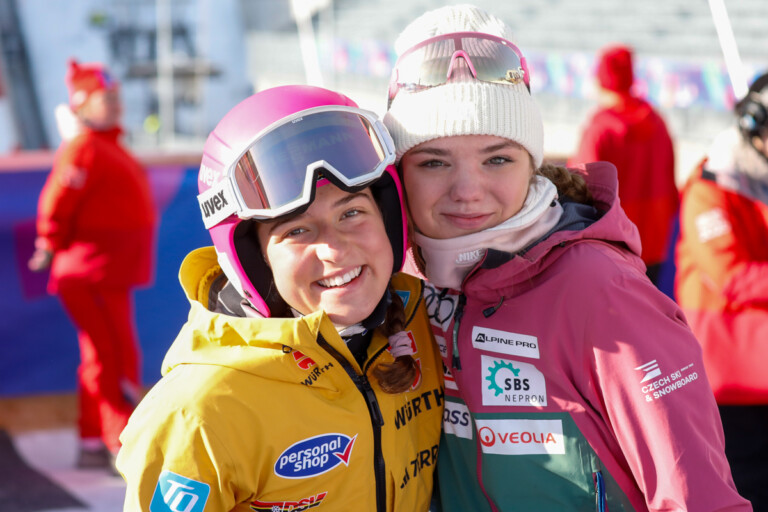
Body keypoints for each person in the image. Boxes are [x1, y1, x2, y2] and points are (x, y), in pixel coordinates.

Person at [383, 4, 750, 511]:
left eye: (497, 158)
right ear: (400, 173)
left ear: (533, 164)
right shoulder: (399, 282)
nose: (467, 191)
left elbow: (698, 496)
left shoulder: (599, 289)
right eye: (434, 162)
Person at [116, 85, 444, 511]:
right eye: (297, 231)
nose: (335, 249)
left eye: (352, 213)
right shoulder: (198, 413)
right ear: (255, 262)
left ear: (388, 218)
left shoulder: (429, 324)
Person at [28, 58, 156, 471]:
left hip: (106, 274)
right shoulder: (84, 147)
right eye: (108, 98)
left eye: (118, 97)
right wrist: (49, 242)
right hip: (90, 274)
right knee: (113, 357)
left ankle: (91, 441)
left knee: (100, 359)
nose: (117, 105)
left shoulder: (104, 145)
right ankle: (122, 443)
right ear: (83, 104)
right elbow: (56, 202)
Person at [675, 72, 768, 509]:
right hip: (728, 374)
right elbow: (731, 276)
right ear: (753, 127)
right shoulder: (711, 187)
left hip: (761, 367)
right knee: (744, 484)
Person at [569, 44, 679, 287]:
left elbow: (579, 189)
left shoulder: (601, 128)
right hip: (654, 239)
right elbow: (671, 186)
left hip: (613, 242)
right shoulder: (657, 121)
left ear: (600, 80)